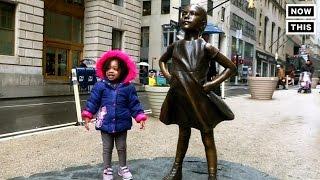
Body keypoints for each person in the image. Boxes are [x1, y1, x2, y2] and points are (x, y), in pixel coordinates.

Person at [159, 5, 236, 180]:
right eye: (184, 14)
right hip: (179, 96)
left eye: (192, 14)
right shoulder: (175, 45)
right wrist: (169, 76)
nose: (186, 17)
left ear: (202, 23)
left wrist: (211, 84)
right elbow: (163, 61)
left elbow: (231, 68)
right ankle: (176, 170)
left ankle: (212, 175)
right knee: (183, 133)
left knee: (207, 136)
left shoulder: (206, 47)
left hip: (199, 98)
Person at [81, 50, 148, 180]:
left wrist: (139, 117)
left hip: (122, 123)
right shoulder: (100, 86)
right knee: (107, 148)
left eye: (115, 69)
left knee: (122, 147)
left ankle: (122, 168)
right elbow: (93, 101)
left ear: (122, 70)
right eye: (108, 68)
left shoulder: (128, 87)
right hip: (105, 122)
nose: (110, 71)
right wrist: (88, 114)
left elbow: (134, 103)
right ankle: (107, 168)